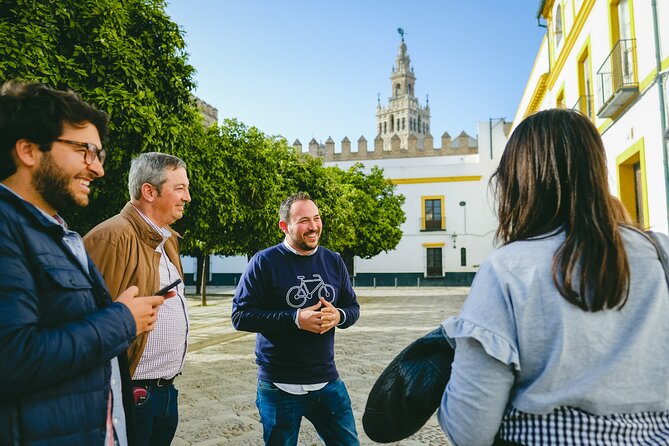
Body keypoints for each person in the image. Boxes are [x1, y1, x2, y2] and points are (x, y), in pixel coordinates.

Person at [438, 108, 669, 445]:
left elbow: (470, 429)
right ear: (596, 170)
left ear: (518, 181)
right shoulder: (661, 254)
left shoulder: (508, 269)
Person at [0, 80, 165, 445]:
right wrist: (122, 320)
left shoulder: (59, 234)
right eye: (85, 151)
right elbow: (11, 359)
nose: (98, 169)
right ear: (28, 150)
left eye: (99, 155)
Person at [231, 191, 361, 445]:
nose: (313, 227)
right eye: (303, 220)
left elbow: (352, 307)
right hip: (279, 386)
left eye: (317, 218)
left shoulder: (333, 261)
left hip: (327, 382)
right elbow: (240, 316)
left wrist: (339, 316)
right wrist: (295, 319)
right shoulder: (263, 262)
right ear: (284, 226)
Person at [84, 152, 191, 446]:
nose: (188, 197)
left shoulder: (167, 239)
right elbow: (85, 319)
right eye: (180, 188)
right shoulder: (111, 237)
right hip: (131, 392)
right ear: (149, 191)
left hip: (165, 393)